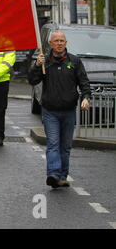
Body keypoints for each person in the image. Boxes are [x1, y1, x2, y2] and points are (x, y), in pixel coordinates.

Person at [28, 31, 90, 188]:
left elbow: (84, 82)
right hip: (50, 111)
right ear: (51, 43)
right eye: (56, 40)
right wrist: (36, 65)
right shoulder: (44, 61)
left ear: (66, 43)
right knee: (53, 143)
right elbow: (32, 80)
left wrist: (86, 97)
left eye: (62, 40)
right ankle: (53, 174)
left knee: (65, 146)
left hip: (69, 111)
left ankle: (62, 176)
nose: (59, 43)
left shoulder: (74, 61)